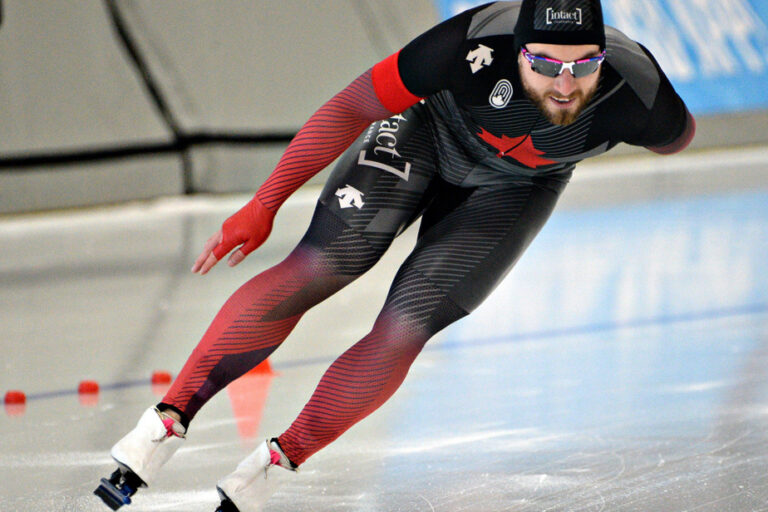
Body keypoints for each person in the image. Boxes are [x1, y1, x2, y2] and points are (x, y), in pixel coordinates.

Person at [94, 1, 696, 510]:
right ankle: (161, 427)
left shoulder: (638, 91)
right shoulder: (465, 45)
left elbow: (680, 138)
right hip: (426, 132)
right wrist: (265, 203)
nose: (564, 85)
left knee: (406, 324)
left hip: (518, 187)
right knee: (323, 263)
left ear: (601, 57)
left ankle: (269, 471)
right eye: (544, 65)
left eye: (582, 66)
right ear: (517, 52)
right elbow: (350, 107)